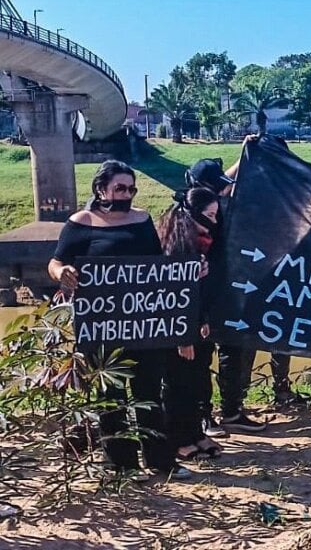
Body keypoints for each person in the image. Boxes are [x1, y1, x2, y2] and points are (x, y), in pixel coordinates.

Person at [48, 160, 191, 479]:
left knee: (150, 393)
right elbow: (56, 262)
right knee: (109, 396)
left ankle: (160, 460)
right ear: (101, 189)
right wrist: (64, 273)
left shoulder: (141, 219)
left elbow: (159, 268)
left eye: (131, 188)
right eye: (120, 188)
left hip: (143, 324)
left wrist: (189, 276)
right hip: (101, 327)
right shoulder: (80, 222)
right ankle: (119, 464)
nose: (127, 194)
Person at [186, 154, 266, 434]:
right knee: (201, 356)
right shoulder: (184, 217)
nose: (221, 192)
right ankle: (204, 415)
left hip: (230, 291)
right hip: (201, 294)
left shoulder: (218, 206)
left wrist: (247, 151)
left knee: (232, 350)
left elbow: (225, 184)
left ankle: (232, 411)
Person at [158, 187, 224, 460]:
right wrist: (182, 336)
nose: (215, 222)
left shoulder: (204, 240)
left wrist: (204, 320)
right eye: (210, 215)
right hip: (178, 328)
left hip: (199, 322)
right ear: (193, 214)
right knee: (178, 383)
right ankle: (178, 439)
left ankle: (196, 432)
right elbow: (172, 296)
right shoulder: (174, 245)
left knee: (197, 379)